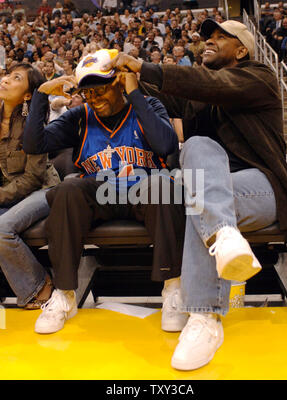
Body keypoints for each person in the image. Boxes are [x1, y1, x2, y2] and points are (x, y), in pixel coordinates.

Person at [104, 19, 287, 371]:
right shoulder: (199, 93)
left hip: (263, 189)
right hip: (213, 199)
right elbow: (164, 94)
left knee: (198, 190)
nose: (207, 42)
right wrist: (126, 83)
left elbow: (210, 84)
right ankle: (222, 237)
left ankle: (204, 317)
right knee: (197, 162)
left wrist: (144, 65)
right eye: (206, 38)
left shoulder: (259, 77)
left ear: (241, 50)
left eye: (219, 38)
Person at [23, 49, 186, 335]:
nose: (94, 99)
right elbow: (34, 144)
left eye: (100, 90)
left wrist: (135, 95)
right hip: (99, 195)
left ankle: (173, 289)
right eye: (88, 94)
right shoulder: (79, 117)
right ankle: (64, 295)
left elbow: (166, 146)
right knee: (68, 187)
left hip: (144, 192)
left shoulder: (147, 105)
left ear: (119, 83)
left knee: (163, 185)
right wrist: (40, 95)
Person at [0, 63, 60, 309]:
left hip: (43, 191)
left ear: (27, 95)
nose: (5, 80)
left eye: (15, 78)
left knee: (2, 228)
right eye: (7, 75)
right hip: (9, 194)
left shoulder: (31, 125)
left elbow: (32, 179)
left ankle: (40, 284)